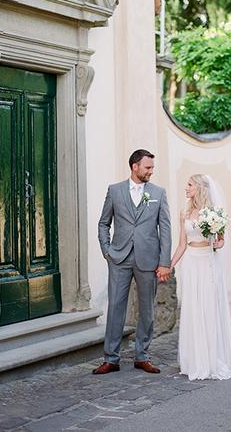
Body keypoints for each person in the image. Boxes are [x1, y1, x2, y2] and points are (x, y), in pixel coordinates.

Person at [170, 174, 231, 381]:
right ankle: (194, 360)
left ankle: (213, 359)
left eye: (189, 184)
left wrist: (217, 243)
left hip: (208, 263)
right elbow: (182, 245)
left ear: (200, 188)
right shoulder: (184, 213)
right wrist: (170, 265)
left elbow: (221, 241)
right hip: (192, 263)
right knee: (193, 308)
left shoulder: (214, 214)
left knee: (209, 308)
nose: (186, 188)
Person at [93, 149, 172, 375]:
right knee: (115, 308)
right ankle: (111, 358)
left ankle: (142, 356)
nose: (151, 172)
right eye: (147, 167)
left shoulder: (158, 193)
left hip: (149, 259)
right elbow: (103, 223)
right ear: (134, 167)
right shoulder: (115, 191)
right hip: (119, 258)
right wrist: (107, 251)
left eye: (152, 168)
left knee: (147, 310)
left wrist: (164, 262)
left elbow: (165, 229)